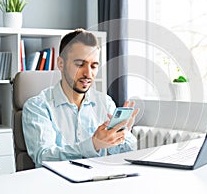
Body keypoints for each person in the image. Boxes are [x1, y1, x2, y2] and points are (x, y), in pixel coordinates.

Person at [22, 28, 139, 167]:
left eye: (94, 66)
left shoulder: (105, 102)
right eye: (79, 64)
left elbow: (123, 153)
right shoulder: (37, 106)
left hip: (96, 182)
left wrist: (123, 133)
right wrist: (93, 145)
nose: (88, 73)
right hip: (56, 185)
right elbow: (43, 156)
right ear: (61, 64)